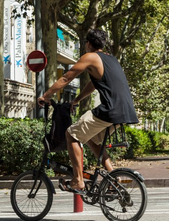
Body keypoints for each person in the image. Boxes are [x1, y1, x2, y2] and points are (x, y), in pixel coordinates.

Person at [38, 29, 138, 194]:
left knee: (71, 134)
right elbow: (93, 84)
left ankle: (78, 180)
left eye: (85, 42)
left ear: (89, 43)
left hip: (110, 109)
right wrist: (76, 100)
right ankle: (114, 179)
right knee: (92, 139)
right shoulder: (110, 59)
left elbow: (66, 78)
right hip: (124, 110)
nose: (84, 45)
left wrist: (45, 96)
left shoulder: (90, 57)